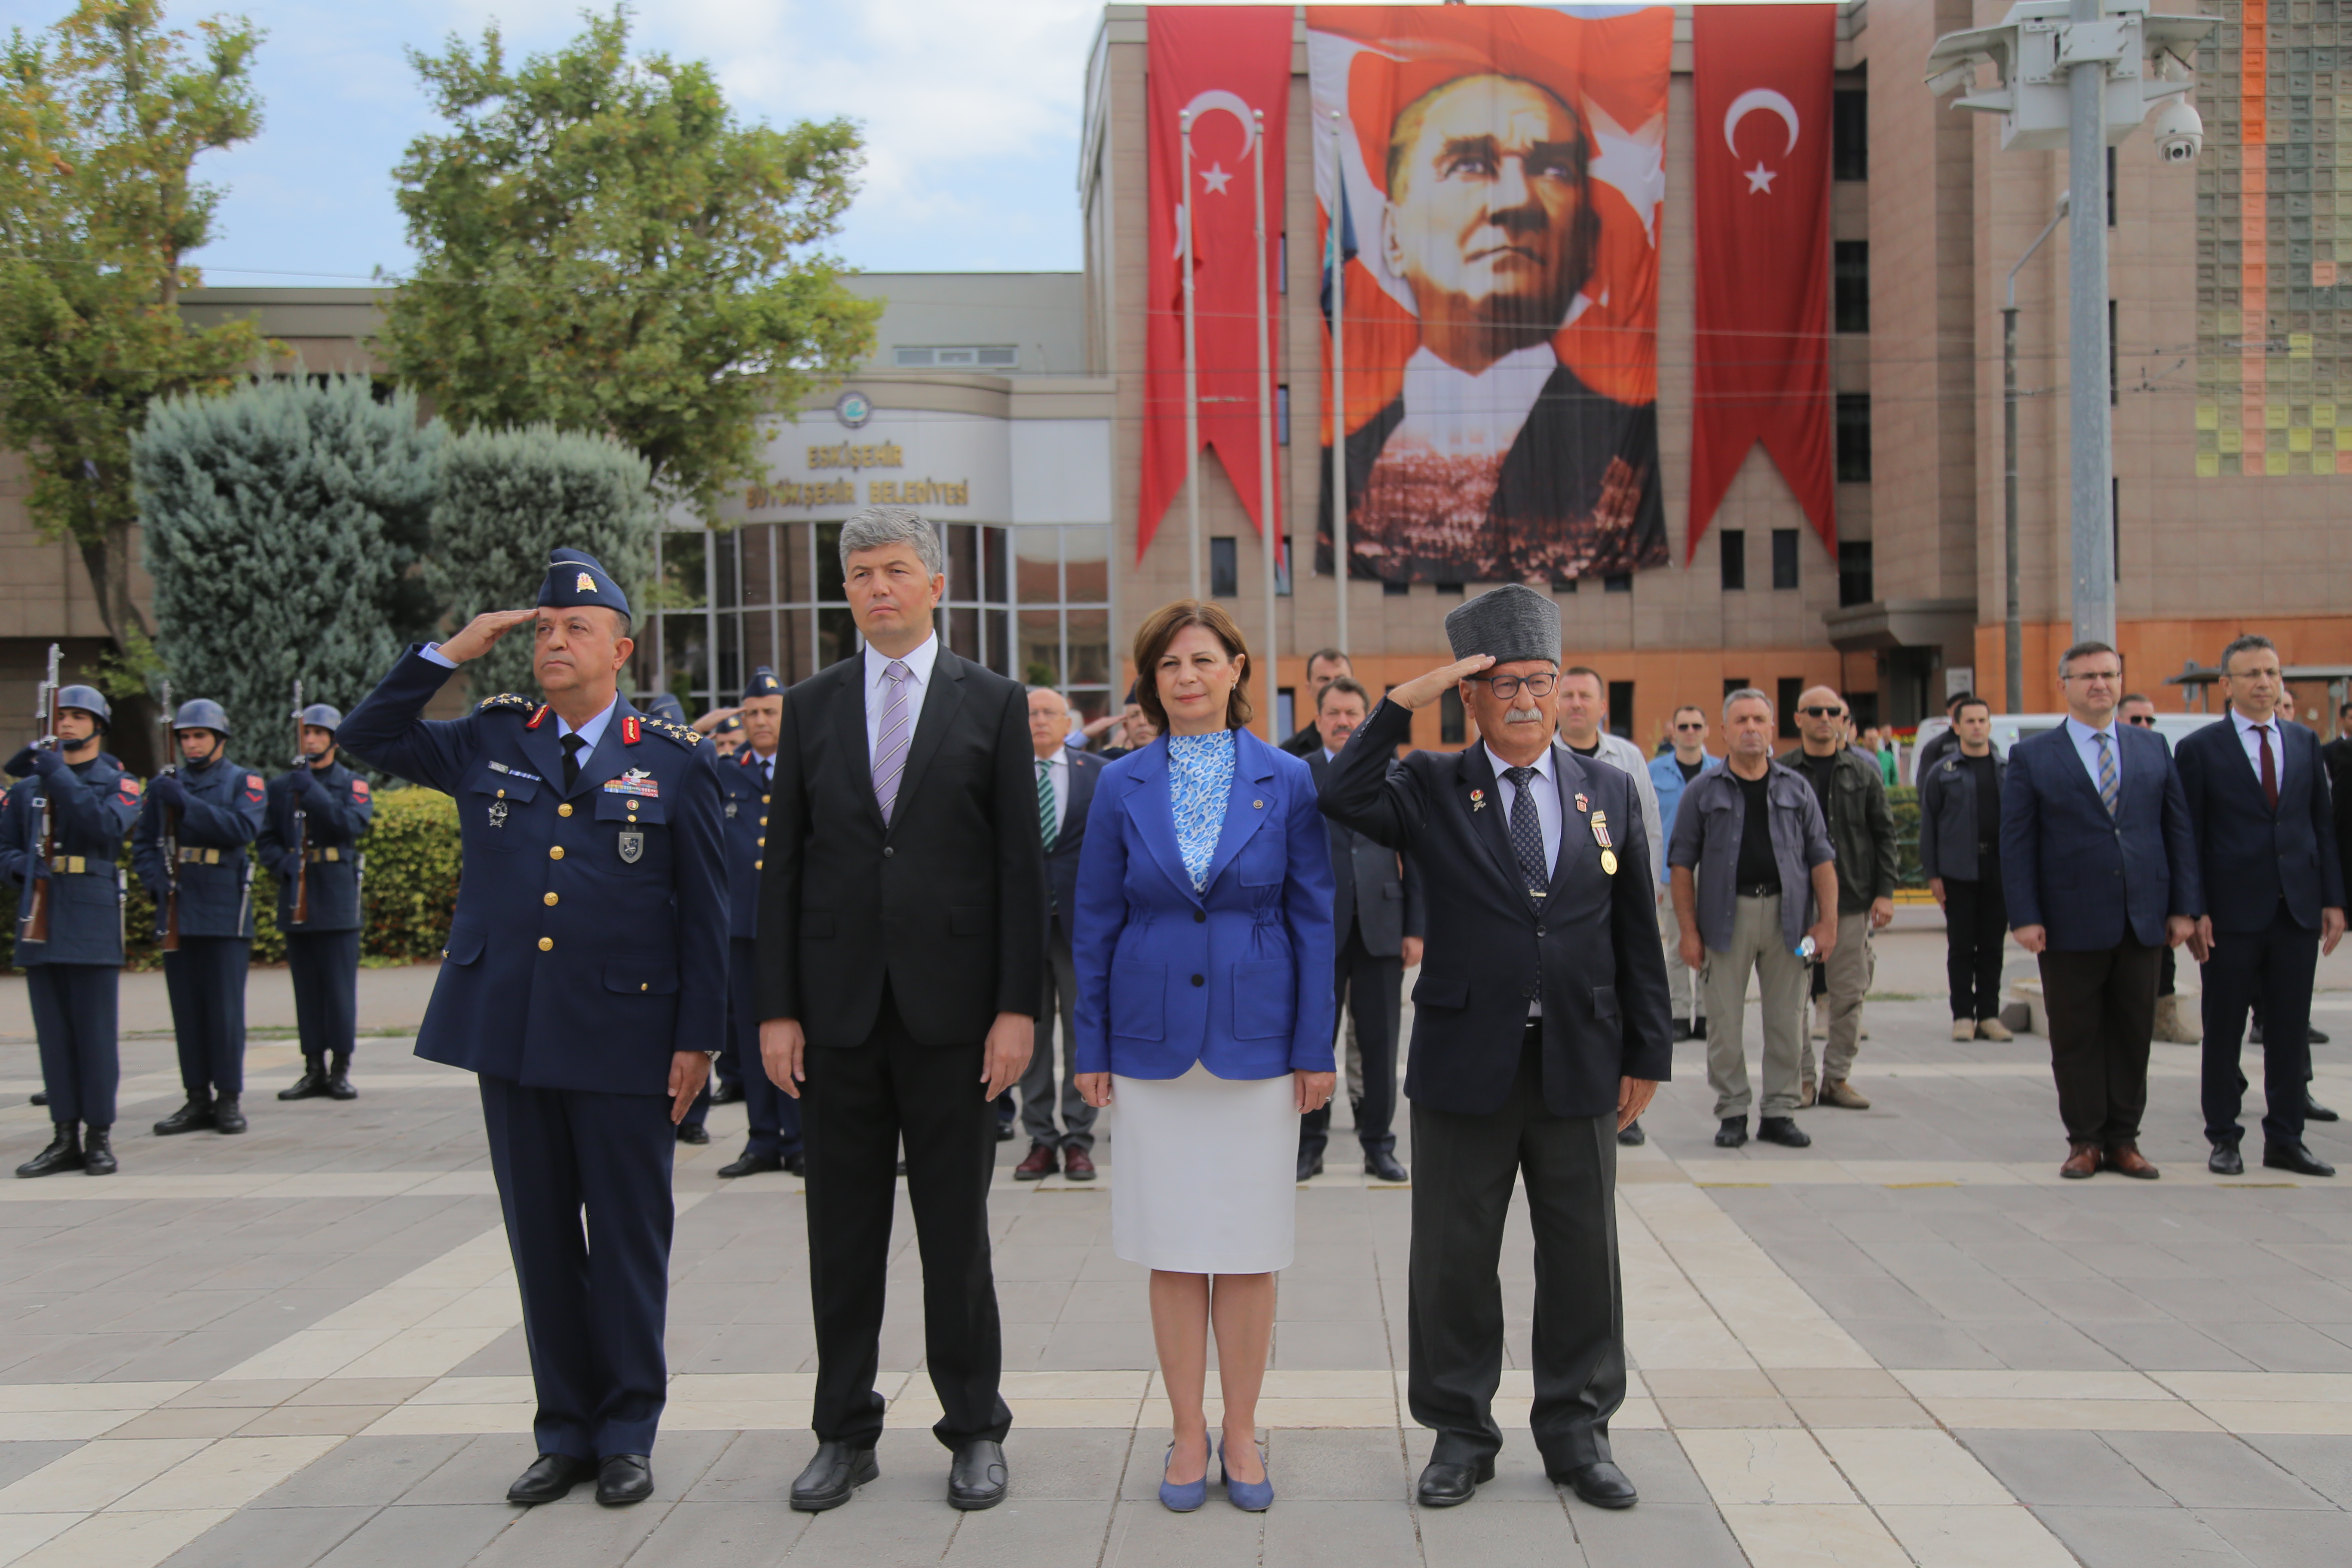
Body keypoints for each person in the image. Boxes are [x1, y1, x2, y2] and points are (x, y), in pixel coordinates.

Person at [339, 549, 726, 1507]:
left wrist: (699, 1039)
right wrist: (450, 653)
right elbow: (367, 734)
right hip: (512, 1032)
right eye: (545, 629)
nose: (555, 641)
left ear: (621, 649)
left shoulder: (673, 764)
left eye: (577, 629)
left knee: (630, 1239)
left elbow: (707, 915)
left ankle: (629, 1429)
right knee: (542, 1240)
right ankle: (566, 1433)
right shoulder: (487, 738)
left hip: (628, 1036)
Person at [1320, 584, 1667, 1512]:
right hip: (1467, 1061)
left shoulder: (1609, 789)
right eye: (1504, 684)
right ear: (1470, 696)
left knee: (1584, 1256)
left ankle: (1578, 1430)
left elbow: (1640, 929)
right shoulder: (1429, 784)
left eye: (1541, 681)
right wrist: (1405, 699)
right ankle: (1459, 1435)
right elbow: (1339, 790)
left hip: (1582, 1063)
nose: (1525, 699)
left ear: (1563, 690)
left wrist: (1650, 1054)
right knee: (1453, 1257)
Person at [757, 506, 1044, 1516]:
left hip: (955, 1020)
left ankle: (973, 1428)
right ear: (846, 594)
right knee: (840, 1234)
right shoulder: (810, 704)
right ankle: (843, 1431)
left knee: (953, 1233)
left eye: (895, 570)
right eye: (861, 575)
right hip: (834, 1018)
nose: (878, 588)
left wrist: (1018, 1009)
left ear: (936, 581)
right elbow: (782, 868)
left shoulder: (994, 702)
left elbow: (1019, 868)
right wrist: (775, 1009)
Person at [1070, 599, 1333, 1514]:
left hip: (1256, 1045)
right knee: (1173, 1248)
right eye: (1170, 664)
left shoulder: (1287, 779)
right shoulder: (1119, 784)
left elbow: (1312, 916)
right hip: (1150, 1048)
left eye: (1203, 660)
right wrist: (1090, 1042)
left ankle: (1245, 1428)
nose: (1187, 676)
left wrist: (1314, 1047)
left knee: (1250, 1247)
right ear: (1152, 681)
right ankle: (1188, 1431)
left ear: (1236, 670)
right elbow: (1096, 921)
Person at [1320, 74, 1663, 585]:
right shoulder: (1346, 469)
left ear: (1588, 243)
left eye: (1552, 169)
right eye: (1470, 166)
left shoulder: (1627, 461)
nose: (1514, 201)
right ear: (1393, 235)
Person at [2000, 641, 2201, 1181]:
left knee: (2134, 1032)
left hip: (2143, 918)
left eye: (2109, 674)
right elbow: (2016, 842)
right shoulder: (2033, 756)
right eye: (2087, 676)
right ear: (2064, 684)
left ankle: (2124, 1141)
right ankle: (2085, 1141)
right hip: (2067, 921)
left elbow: (2177, 831)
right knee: (2076, 1035)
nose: (2100, 684)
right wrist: (2024, 915)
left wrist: (2186, 908)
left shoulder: (2153, 748)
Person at [2177, 635, 2344, 1178]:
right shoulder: (2201, 750)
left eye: (2271, 673)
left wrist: (2334, 901)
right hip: (2229, 916)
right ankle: (2224, 1136)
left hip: (2295, 911)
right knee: (2223, 1030)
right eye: (2251, 674)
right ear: (2227, 684)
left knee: (2290, 1030)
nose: (2264, 683)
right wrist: (2194, 908)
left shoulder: (2303, 740)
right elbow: (2189, 837)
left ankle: (2287, 1139)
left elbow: (2322, 826)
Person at [1667, 689, 1839, 1150]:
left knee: (1788, 1019)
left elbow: (1822, 858)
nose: (1751, 728)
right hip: (1725, 922)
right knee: (1724, 1022)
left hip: (1790, 921)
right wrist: (1688, 932)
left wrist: (1827, 925)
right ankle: (1733, 1111)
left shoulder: (1795, 788)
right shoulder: (1703, 791)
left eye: (1760, 719)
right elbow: (1681, 864)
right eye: (1741, 720)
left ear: (1772, 728)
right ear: (1724, 730)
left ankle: (1780, 1111)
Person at [4, 684, 138, 1178]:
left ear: (98, 726)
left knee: (95, 1037)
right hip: (40, 914)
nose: (68, 724)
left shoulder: (120, 782)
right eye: (62, 716)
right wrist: (20, 867)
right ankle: (64, 1136)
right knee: (55, 1038)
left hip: (91, 916)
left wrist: (58, 775)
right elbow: (3, 849)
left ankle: (98, 1136)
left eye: (79, 717)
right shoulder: (25, 790)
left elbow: (104, 828)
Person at [1299, 675, 1422, 1183]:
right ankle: (1310, 1146)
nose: (1344, 722)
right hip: (1314, 932)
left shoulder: (1394, 775)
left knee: (1379, 1045)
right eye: (1335, 713)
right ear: (1319, 717)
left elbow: (1415, 855)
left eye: (1354, 714)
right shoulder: (1297, 774)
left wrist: (1416, 927)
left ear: (1368, 721)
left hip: (1382, 927)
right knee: (1312, 1043)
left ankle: (1379, 1146)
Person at [132, 699, 266, 1138]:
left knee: (224, 1013)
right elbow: (145, 845)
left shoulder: (244, 781)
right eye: (185, 737)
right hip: (179, 908)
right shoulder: (165, 785)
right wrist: (157, 883)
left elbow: (240, 832)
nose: (191, 744)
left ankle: (228, 1098)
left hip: (225, 910)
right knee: (187, 1012)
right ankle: (195, 1098)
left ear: (219, 739)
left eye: (199, 736)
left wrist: (185, 804)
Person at [1554, 666, 1664, 1143]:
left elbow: (1649, 826)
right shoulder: (1541, 756)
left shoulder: (1628, 758)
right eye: (1569, 695)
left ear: (1603, 708)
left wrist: (1646, 890)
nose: (1577, 703)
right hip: (1566, 908)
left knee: (1621, 999)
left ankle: (1626, 1110)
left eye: (1586, 696)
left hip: (1620, 895)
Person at [1783, 688, 1896, 1111]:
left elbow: (1885, 835)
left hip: (1851, 905)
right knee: (1795, 994)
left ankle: (1837, 1078)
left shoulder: (1863, 772)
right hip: (1798, 910)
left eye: (1835, 712)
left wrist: (1885, 894)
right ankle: (1805, 1080)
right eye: (1815, 711)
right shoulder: (1783, 772)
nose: (1825, 718)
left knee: (1850, 994)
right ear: (1799, 719)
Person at [713, 668, 805, 1179]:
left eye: (771, 712)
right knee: (750, 1037)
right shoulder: (724, 772)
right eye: (752, 714)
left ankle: (801, 1137)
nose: (761, 721)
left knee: (797, 1033)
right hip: (743, 927)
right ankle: (763, 1138)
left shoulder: (808, 764)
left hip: (796, 926)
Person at [1014, 686, 1105, 1182]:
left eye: (1050, 712)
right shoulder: (1003, 775)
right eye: (1031, 713)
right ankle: (1039, 1140)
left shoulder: (1098, 775)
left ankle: (1078, 1138)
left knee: (1079, 1035)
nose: (1040, 720)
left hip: (1080, 928)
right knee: (1028, 1038)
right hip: (1024, 928)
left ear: (1069, 723)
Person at [261, 703, 374, 1104]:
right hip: (298, 896)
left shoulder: (351, 783)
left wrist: (312, 790)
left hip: (337, 897)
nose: (311, 740)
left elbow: (351, 825)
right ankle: (313, 1068)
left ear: (333, 739)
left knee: (338, 991)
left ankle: (341, 1068)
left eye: (318, 733)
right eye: (305, 734)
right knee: (306, 990)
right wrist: (284, 864)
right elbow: (266, 839)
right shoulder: (280, 787)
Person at [1920, 697, 2013, 1043]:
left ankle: (1989, 1014)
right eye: (1970, 721)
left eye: (1982, 720)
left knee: (1992, 946)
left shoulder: (2006, 770)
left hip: (1998, 870)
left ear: (1990, 725)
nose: (1977, 726)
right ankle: (1962, 1015)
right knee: (1961, 947)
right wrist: (1933, 874)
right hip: (1958, 872)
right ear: (1956, 727)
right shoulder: (1942, 773)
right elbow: (1928, 825)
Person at [1648, 705, 1719, 1046]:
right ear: (1672, 731)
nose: (1690, 731)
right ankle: (1678, 1013)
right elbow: (1648, 828)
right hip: (1670, 873)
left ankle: (1706, 1014)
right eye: (1684, 726)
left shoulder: (1721, 771)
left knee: (1712, 946)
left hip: (1716, 874)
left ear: (1707, 731)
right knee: (1676, 946)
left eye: (1697, 725)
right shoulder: (1653, 772)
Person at [1279, 648, 1355, 756]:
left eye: (1340, 679)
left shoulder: (1382, 746)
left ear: (1354, 684)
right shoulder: (1289, 754)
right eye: (1324, 679)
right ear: (1309, 688)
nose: (1333, 686)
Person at [1914, 691, 1975, 778]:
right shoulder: (1936, 746)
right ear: (1949, 711)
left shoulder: (1987, 745)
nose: (1964, 711)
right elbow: (1925, 783)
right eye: (1959, 707)